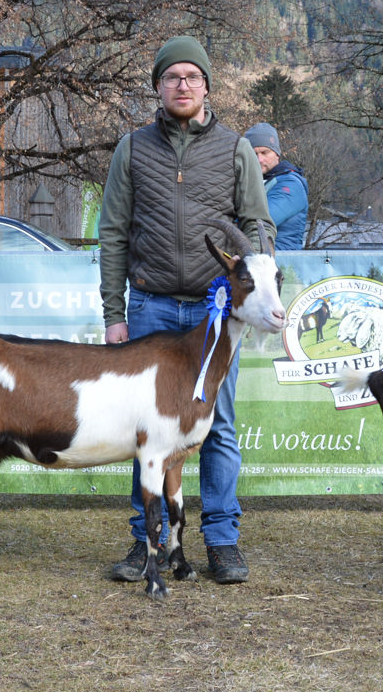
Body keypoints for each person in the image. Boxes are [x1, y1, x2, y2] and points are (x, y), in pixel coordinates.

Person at [99, 36, 274, 585]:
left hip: (215, 313)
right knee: (147, 431)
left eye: (191, 77)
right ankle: (145, 540)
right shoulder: (132, 148)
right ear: (157, 86)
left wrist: (256, 276)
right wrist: (114, 312)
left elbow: (258, 226)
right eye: (171, 76)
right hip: (149, 308)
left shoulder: (236, 148)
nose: (182, 85)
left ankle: (221, 540)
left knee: (217, 425)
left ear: (206, 87)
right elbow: (112, 234)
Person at [243, 122, 308, 250]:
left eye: (264, 152)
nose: (259, 159)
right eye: (253, 154)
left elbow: (261, 221)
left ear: (277, 153)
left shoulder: (290, 185)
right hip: (259, 261)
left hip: (283, 264)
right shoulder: (255, 182)